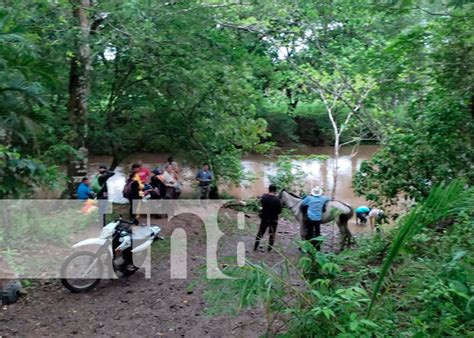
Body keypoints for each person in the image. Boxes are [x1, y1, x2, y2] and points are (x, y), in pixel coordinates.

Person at [254, 184, 282, 252]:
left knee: (260, 233)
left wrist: (262, 210)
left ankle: (255, 247)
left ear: (268, 189)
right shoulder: (277, 199)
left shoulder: (264, 197)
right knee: (272, 234)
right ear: (275, 190)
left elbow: (259, 204)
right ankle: (269, 249)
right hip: (274, 219)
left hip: (264, 218)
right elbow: (279, 211)